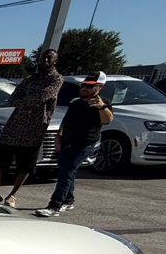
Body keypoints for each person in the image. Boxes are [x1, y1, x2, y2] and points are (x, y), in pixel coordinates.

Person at [0, 48, 62, 208]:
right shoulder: (30, 79)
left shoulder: (56, 79)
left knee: (25, 164)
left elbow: (41, 97)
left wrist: (26, 101)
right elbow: (12, 99)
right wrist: (25, 102)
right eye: (43, 58)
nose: (45, 61)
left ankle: (12, 195)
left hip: (35, 127)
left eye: (49, 58)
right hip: (15, 125)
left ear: (55, 60)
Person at [37, 71, 113, 217]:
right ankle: (68, 200)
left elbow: (107, 120)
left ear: (100, 86)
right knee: (66, 171)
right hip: (67, 142)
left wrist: (101, 106)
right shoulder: (76, 103)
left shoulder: (104, 103)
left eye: (90, 86)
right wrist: (58, 138)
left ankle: (54, 205)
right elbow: (65, 122)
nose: (85, 88)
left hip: (84, 144)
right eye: (84, 85)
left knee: (66, 173)